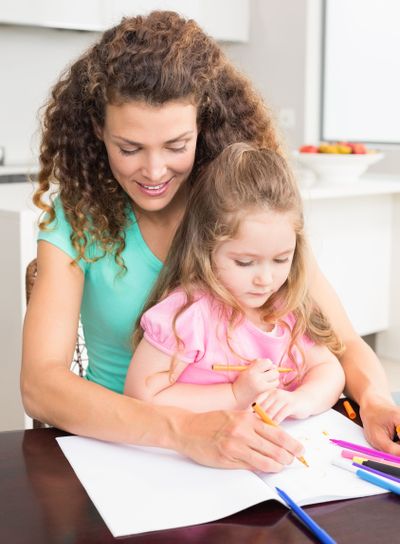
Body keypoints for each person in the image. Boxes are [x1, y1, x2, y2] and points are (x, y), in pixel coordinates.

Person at [21, 11, 400, 470]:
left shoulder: (236, 208)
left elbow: (341, 341)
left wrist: (377, 400)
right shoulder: (77, 216)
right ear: (98, 130)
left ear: (204, 124)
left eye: (177, 146)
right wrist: (182, 431)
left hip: (248, 446)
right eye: (130, 148)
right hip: (123, 449)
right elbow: (40, 385)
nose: (155, 171)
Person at [124, 143, 345, 421]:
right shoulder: (187, 315)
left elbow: (328, 369)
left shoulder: (287, 306)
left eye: (280, 260)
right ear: (206, 247)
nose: (265, 280)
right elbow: (140, 397)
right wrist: (234, 395)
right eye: (245, 262)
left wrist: (301, 400)